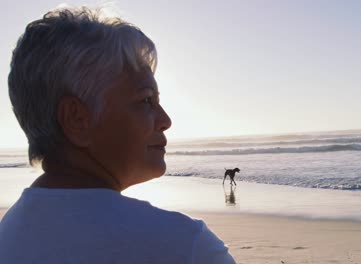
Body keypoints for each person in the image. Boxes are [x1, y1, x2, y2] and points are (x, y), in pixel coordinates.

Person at [0, 5, 235, 264]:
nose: (165, 121)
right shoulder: (184, 247)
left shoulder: (8, 234)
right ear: (77, 119)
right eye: (146, 100)